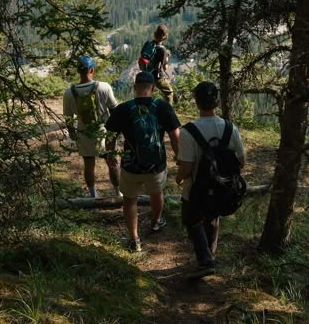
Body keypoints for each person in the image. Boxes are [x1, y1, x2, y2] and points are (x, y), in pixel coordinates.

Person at [176, 81, 245, 279]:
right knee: (213, 217)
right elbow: (242, 161)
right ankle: (210, 255)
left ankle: (205, 260)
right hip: (222, 186)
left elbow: (187, 168)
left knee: (192, 220)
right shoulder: (230, 128)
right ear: (216, 101)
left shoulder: (188, 131)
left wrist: (179, 178)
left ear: (196, 102)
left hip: (196, 188)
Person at [105, 71, 180, 252]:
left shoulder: (123, 109)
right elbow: (175, 135)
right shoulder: (162, 106)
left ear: (135, 87)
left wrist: (110, 154)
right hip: (157, 164)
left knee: (130, 200)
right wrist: (179, 156)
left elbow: (110, 135)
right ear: (153, 88)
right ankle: (156, 222)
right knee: (157, 192)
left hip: (131, 165)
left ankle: (134, 239)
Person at [63, 55, 120, 198]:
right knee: (112, 161)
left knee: (89, 165)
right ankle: (117, 192)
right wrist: (116, 132)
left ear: (78, 71)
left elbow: (68, 118)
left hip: (84, 133)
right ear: (92, 69)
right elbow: (114, 110)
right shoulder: (104, 87)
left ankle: (93, 194)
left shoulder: (69, 93)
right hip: (104, 132)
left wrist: (72, 134)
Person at [139, 24, 174, 104]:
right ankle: (168, 111)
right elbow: (164, 67)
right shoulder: (163, 50)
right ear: (165, 37)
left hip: (146, 73)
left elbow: (142, 56)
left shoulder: (148, 44)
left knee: (146, 94)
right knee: (169, 92)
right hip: (156, 76)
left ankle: (143, 109)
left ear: (155, 34)